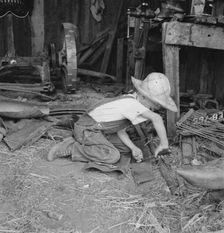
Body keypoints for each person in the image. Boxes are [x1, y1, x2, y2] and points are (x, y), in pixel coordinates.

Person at [47, 72, 178, 164]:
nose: (155, 107)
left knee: (125, 149)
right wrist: (164, 145)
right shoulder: (132, 104)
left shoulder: (132, 100)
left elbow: (119, 130)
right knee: (112, 156)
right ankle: (71, 147)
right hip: (87, 129)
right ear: (143, 96)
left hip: (100, 130)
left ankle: (87, 143)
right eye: (154, 103)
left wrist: (133, 148)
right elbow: (157, 118)